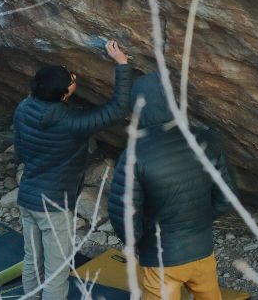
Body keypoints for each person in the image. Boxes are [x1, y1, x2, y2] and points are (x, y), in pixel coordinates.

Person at [14, 41, 132, 300]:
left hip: (27, 196)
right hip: (54, 204)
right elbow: (117, 109)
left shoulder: (24, 108)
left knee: (33, 258)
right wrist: (122, 64)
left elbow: (20, 152)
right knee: (57, 269)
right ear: (65, 93)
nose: (74, 77)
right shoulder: (72, 122)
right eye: (71, 79)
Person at [107, 73, 236, 300]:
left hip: (160, 257)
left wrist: (137, 241)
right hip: (201, 248)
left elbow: (123, 214)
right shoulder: (207, 140)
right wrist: (199, 222)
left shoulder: (134, 154)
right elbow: (227, 197)